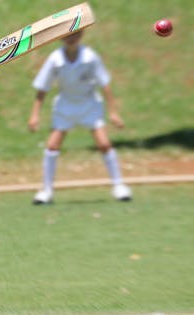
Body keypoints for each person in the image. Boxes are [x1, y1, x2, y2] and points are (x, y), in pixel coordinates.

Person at [28, 30, 132, 204]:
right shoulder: (55, 59)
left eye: (75, 35)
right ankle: (46, 191)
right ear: (60, 37)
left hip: (89, 104)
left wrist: (113, 113)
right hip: (65, 105)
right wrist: (35, 114)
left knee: (104, 144)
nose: (71, 39)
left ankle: (119, 186)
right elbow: (42, 88)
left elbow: (105, 85)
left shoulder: (90, 57)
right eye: (67, 35)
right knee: (52, 146)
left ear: (81, 36)